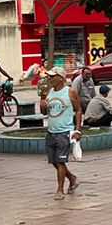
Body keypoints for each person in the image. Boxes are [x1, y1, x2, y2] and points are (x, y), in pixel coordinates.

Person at [37, 67, 81, 199]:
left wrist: (78, 129)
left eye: (52, 77)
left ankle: (60, 190)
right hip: (51, 131)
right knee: (55, 161)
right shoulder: (49, 92)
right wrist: (42, 104)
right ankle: (72, 178)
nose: (49, 79)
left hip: (65, 132)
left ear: (60, 78)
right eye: (49, 77)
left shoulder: (70, 92)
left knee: (61, 161)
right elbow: (44, 112)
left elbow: (78, 110)